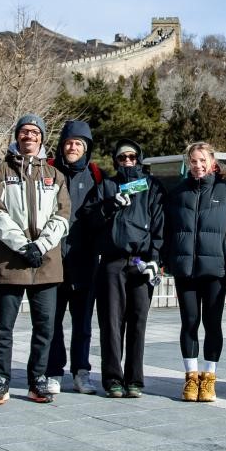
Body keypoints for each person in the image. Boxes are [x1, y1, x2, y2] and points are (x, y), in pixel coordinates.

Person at [0, 114, 70, 405]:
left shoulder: (55, 176)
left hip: (46, 263)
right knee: (3, 327)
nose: (29, 136)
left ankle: (37, 379)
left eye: (35, 132)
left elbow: (62, 215)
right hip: (10, 260)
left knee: (45, 327)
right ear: (17, 136)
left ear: (42, 138)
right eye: (24, 131)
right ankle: (0, 380)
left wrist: (40, 246)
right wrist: (23, 246)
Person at [83, 139, 165, 399]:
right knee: (111, 322)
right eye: (122, 158)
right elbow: (88, 219)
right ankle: (112, 379)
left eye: (131, 157)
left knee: (138, 322)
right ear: (116, 161)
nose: (127, 161)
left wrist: (155, 258)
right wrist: (109, 205)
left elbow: (159, 225)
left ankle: (135, 379)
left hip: (141, 263)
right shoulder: (106, 186)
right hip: (112, 262)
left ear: (139, 158)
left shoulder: (152, 186)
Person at [164, 142, 226, 402]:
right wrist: (169, 258)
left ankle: (209, 378)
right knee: (189, 322)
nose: (198, 165)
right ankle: (191, 377)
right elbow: (167, 229)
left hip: (215, 270)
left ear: (212, 162)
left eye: (202, 160)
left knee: (212, 323)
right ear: (188, 163)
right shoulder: (178, 193)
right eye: (193, 161)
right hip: (185, 270)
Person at [44, 121, 104, 395]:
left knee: (83, 322)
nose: (73, 147)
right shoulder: (48, 171)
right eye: (69, 142)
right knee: (52, 321)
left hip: (84, 259)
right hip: (53, 259)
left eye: (79, 143)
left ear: (86, 147)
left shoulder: (96, 176)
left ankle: (81, 371)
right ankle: (53, 372)